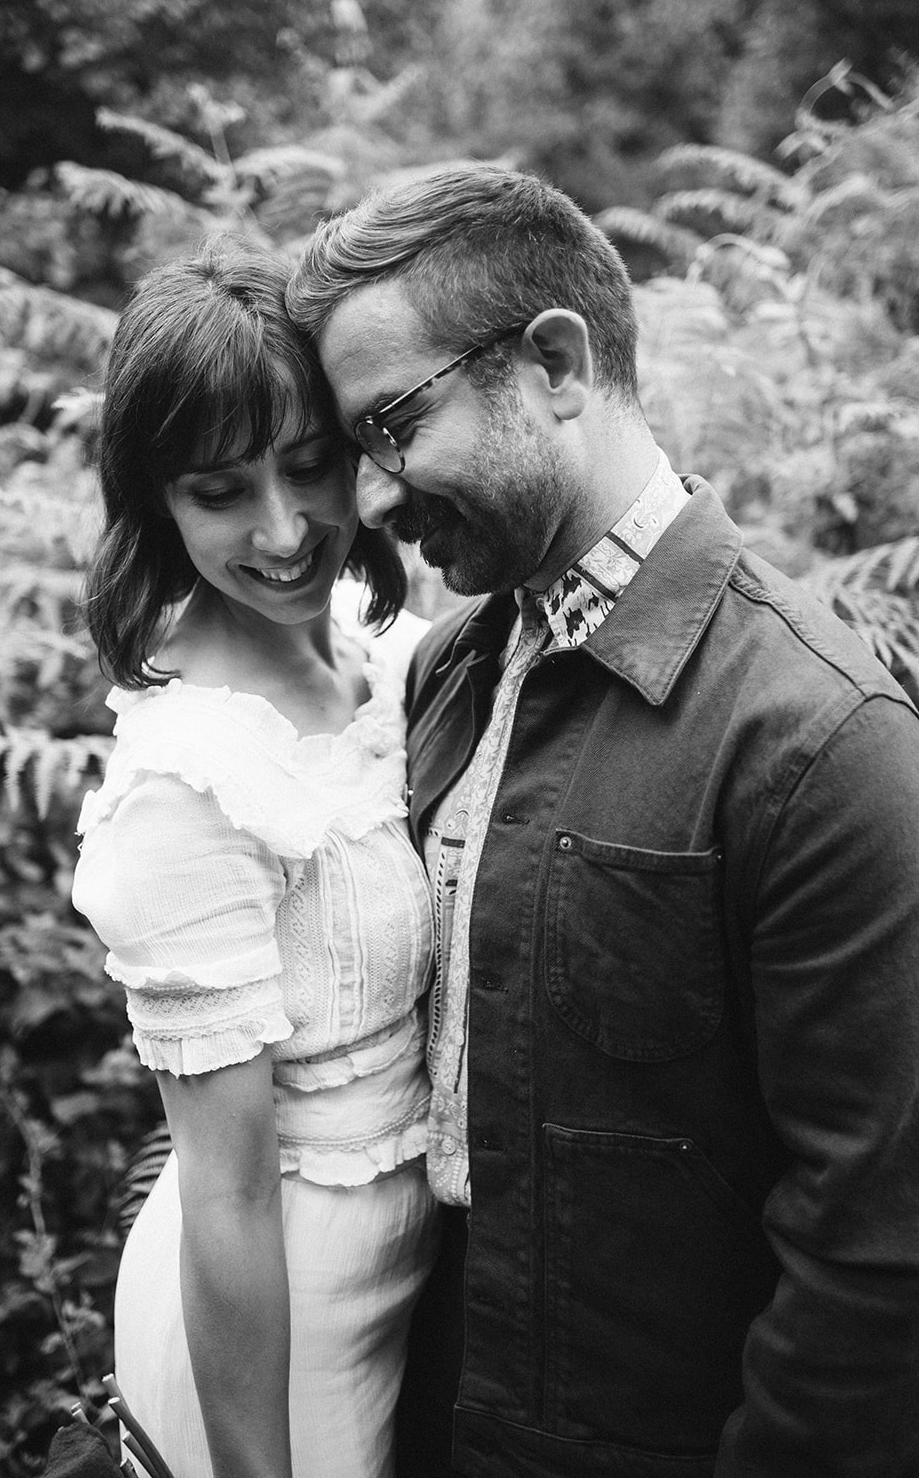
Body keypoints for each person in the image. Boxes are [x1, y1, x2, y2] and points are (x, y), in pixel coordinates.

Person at [285, 165, 919, 1478]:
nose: (372, 496)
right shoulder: (447, 670)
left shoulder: (819, 740)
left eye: (393, 424)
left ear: (555, 364)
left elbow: (873, 1252)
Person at [70, 235, 438, 1478]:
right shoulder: (187, 782)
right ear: (157, 503)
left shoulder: (385, 654)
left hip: (417, 1278)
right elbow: (225, 1195)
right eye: (220, 491)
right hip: (282, 1326)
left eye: (307, 465)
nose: (284, 531)